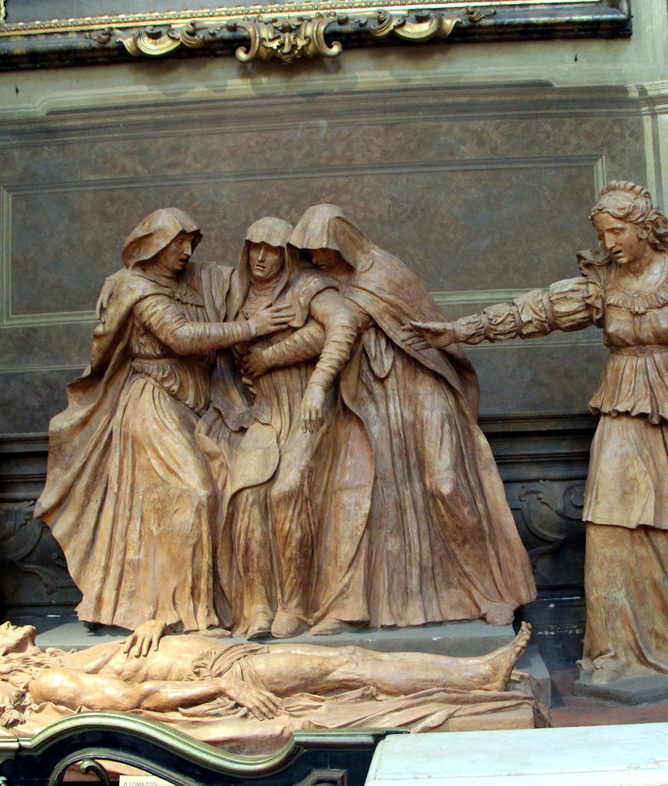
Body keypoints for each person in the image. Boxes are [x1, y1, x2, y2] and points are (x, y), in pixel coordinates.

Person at [410, 181, 668, 684]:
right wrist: (460, 331)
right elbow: (534, 312)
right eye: (603, 234)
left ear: (644, 228)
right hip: (625, 401)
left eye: (617, 231)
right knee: (613, 522)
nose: (609, 242)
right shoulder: (602, 282)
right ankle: (624, 646)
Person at [35, 208, 292, 639]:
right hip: (153, 402)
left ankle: (217, 607)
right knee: (194, 492)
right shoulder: (138, 289)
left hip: (198, 406)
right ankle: (184, 614)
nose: (186, 251)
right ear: (153, 245)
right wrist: (252, 326)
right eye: (178, 243)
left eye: (191, 242)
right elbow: (180, 337)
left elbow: (242, 277)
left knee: (231, 487)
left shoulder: (192, 282)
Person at [286, 204, 537, 635]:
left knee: (446, 483)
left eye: (321, 248)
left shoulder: (383, 273)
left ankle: (488, 593)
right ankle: (353, 605)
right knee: (361, 495)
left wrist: (271, 355)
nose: (315, 258)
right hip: (371, 399)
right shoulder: (323, 285)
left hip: (420, 387)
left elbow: (332, 333)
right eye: (307, 252)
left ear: (341, 241)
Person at [220, 217, 366, 639]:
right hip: (265, 411)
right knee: (247, 495)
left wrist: (316, 384)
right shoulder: (236, 292)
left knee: (287, 490)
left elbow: (342, 325)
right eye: (255, 248)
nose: (262, 258)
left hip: (307, 408)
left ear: (287, 253)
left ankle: (297, 606)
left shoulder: (307, 285)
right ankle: (257, 606)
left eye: (272, 249)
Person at [0, 620, 532, 721]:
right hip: (232, 672)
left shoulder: (61, 657)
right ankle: (476, 678)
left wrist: (154, 625)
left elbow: (145, 657)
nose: (6, 628)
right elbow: (134, 700)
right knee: (353, 665)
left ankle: (475, 674)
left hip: (230, 656)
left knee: (352, 666)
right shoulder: (48, 680)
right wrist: (223, 686)